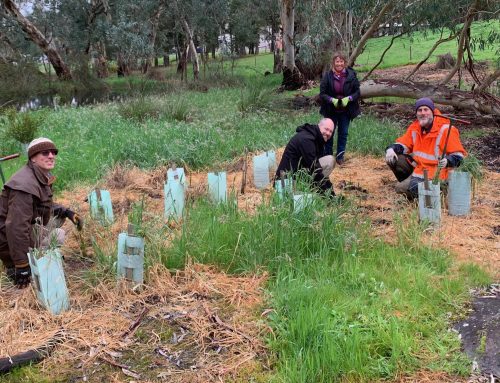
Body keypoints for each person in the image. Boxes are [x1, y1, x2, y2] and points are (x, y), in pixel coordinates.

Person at [0, 138, 82, 288]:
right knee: (58, 235)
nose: (51, 155)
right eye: (45, 152)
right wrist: (21, 264)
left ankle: (37, 255)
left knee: (58, 220)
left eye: (53, 152)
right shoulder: (24, 185)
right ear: (33, 158)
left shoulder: (39, 176)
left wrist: (68, 212)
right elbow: (16, 227)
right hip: (7, 240)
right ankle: (23, 265)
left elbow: (43, 204)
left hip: (24, 230)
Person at [385, 98, 467, 199]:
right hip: (420, 170)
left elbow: (459, 157)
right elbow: (403, 144)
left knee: (401, 189)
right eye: (419, 110)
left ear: (432, 112)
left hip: (438, 174)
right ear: (416, 113)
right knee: (394, 159)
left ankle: (440, 191)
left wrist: (448, 161)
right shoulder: (415, 127)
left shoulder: (446, 129)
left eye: (426, 109)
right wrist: (391, 149)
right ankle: (412, 185)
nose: (423, 113)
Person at [319, 51, 361, 165]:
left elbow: (358, 92)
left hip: (346, 110)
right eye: (337, 61)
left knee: (343, 133)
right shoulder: (327, 76)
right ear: (333, 63)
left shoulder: (351, 75)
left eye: (341, 61)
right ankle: (328, 156)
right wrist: (331, 100)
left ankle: (340, 157)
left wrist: (350, 98)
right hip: (331, 110)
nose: (339, 64)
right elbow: (322, 94)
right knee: (328, 133)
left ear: (345, 62)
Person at [275, 118, 336, 195]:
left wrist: (330, 190)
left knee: (329, 160)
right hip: (284, 182)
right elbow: (315, 169)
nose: (328, 133)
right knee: (330, 160)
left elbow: (319, 169)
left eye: (331, 131)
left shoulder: (317, 139)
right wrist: (329, 195)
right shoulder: (306, 140)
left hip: (297, 175)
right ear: (319, 126)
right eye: (326, 129)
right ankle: (314, 192)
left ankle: (314, 191)